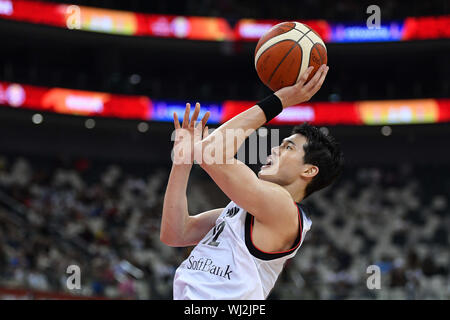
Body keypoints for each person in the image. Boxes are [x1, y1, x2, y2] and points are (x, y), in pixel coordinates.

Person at [160, 64, 344, 299]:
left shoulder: (283, 208)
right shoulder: (243, 210)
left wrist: (278, 101)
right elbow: (175, 233)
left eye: (287, 147)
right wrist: (182, 164)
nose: (275, 149)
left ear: (309, 170)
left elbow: (211, 153)